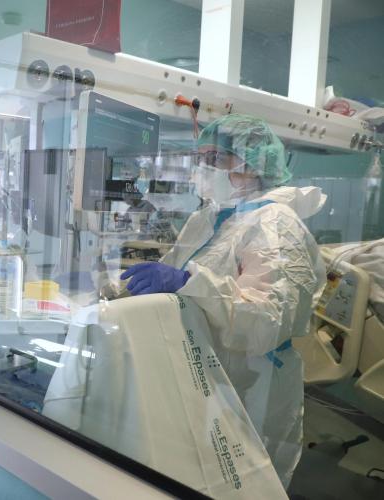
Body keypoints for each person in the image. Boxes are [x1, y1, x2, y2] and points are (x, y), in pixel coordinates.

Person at [120, 114, 327, 487]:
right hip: (202, 370)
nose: (203, 167)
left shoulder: (276, 224)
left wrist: (191, 283)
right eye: (200, 158)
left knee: (243, 483)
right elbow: (170, 276)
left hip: (250, 383)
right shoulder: (208, 217)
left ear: (252, 163)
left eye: (215, 158)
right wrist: (116, 290)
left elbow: (268, 321)